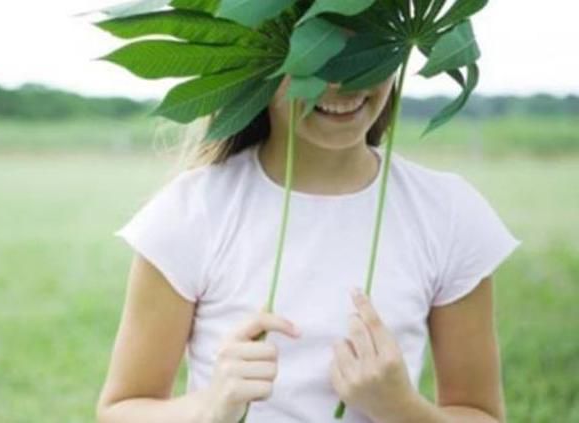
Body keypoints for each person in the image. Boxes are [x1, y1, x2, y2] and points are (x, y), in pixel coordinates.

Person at [95, 72, 522, 422]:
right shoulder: (191, 210)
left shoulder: (447, 211)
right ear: (260, 58)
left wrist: (402, 410)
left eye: (368, 51)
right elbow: (120, 410)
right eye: (316, 52)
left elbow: (480, 413)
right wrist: (210, 407)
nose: (344, 81)